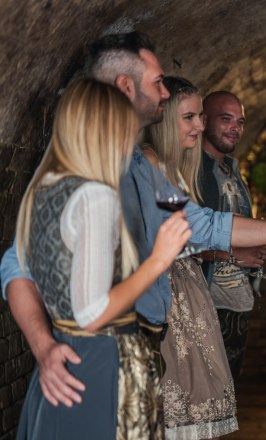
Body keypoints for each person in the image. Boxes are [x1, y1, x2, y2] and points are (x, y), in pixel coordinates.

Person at [0, 31, 266, 411]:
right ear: (126, 87)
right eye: (158, 82)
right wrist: (44, 348)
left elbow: (205, 224)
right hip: (93, 361)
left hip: (138, 355)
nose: (165, 93)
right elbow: (19, 263)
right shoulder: (80, 172)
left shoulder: (142, 169)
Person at [15, 79, 190, 439]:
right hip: (102, 364)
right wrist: (158, 260)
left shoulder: (43, 189)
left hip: (62, 357)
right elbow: (92, 312)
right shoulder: (94, 196)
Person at [144, 76, 238, 438]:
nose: (200, 125)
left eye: (200, 116)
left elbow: (188, 231)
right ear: (165, 118)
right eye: (190, 117)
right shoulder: (149, 165)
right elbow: (202, 226)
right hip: (165, 293)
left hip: (184, 288)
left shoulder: (171, 168)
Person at [197, 90, 266, 381]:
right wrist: (238, 255)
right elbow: (179, 244)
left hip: (237, 302)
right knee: (199, 398)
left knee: (224, 397)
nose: (235, 128)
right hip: (205, 304)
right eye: (226, 119)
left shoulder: (232, 169)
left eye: (240, 121)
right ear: (203, 120)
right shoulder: (192, 171)